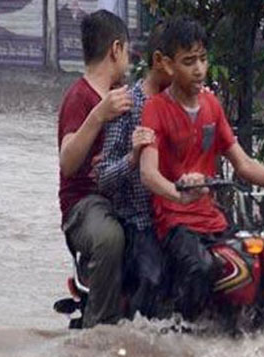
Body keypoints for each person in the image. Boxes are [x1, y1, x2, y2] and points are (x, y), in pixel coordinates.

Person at [138, 16, 264, 320]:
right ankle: (185, 333)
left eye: (203, 59)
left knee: (259, 262)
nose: (199, 69)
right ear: (168, 65)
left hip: (213, 220)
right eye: (188, 61)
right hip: (174, 224)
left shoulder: (212, 105)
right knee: (199, 268)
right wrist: (178, 193)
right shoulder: (154, 108)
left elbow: (244, 164)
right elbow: (148, 173)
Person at [57, 9, 132, 328]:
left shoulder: (126, 97)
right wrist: (98, 115)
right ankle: (100, 327)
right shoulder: (80, 97)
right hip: (85, 207)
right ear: (116, 49)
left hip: (122, 195)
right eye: (128, 50)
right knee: (110, 238)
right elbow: (67, 162)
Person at [96, 22, 171, 319]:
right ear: (161, 61)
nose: (195, 71)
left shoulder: (191, 103)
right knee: (152, 279)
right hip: (139, 221)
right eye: (185, 61)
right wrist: (133, 157)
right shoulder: (127, 105)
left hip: (179, 218)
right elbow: (103, 178)